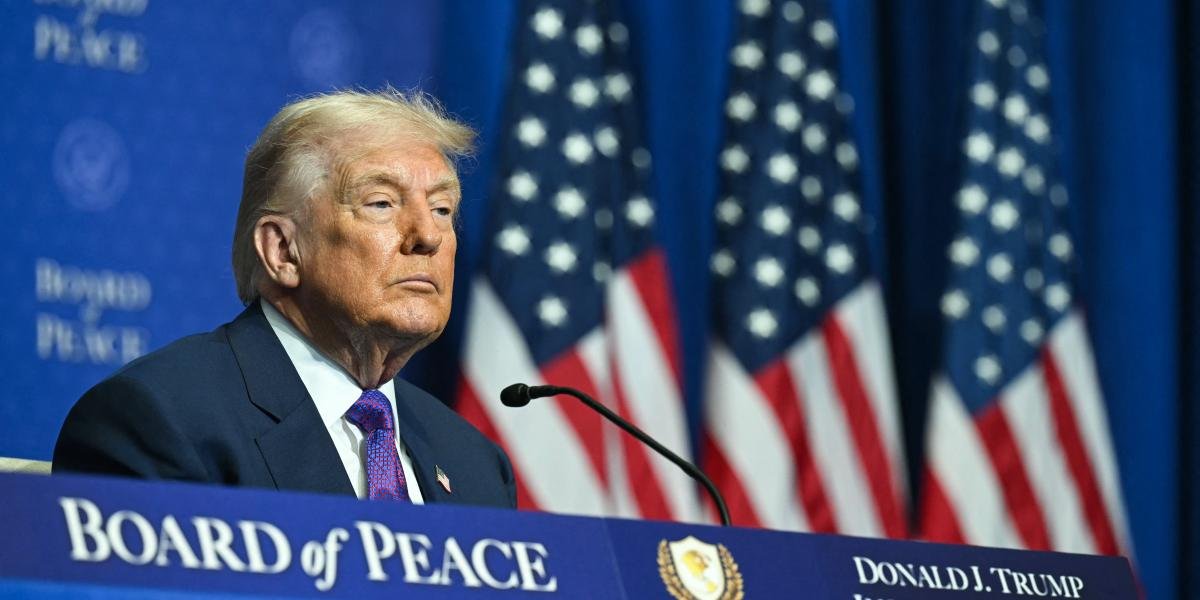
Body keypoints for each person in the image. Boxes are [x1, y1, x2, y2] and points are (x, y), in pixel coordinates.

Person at [53, 89, 516, 509]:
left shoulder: (475, 463)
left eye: (442, 209)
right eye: (381, 203)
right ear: (282, 251)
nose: (429, 236)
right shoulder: (161, 422)